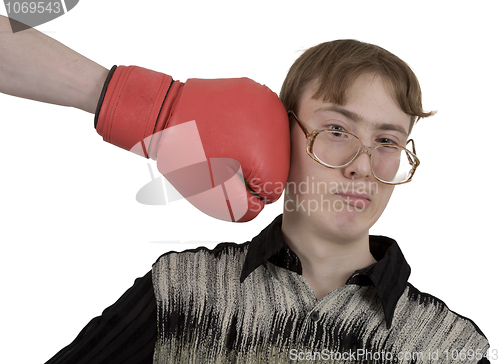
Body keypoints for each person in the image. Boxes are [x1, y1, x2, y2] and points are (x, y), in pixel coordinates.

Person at [0, 15, 491, 363]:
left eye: (387, 140)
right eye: (338, 130)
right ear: (281, 134)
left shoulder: (448, 347)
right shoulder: (184, 289)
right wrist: (154, 111)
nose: (363, 165)